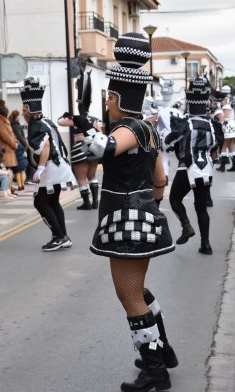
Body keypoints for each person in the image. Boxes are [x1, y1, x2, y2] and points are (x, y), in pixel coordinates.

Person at [88, 33, 177, 392]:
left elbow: (104, 149)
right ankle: (163, 351)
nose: (107, 103)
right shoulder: (150, 129)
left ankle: (155, 371)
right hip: (141, 217)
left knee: (129, 297)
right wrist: (152, 208)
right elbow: (160, 179)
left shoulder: (128, 128)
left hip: (124, 220)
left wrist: (85, 129)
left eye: (109, 97)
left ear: (120, 97)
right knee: (139, 290)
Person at [20, 77, 77, 251]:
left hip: (52, 166)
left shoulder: (35, 125)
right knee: (52, 202)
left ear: (29, 109)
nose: (22, 113)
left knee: (41, 202)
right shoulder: (47, 120)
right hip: (60, 165)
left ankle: (59, 236)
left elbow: (45, 147)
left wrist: (40, 168)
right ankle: (62, 236)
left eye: (24, 109)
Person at [167, 77, 220, 256]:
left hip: (186, 168)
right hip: (206, 168)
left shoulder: (183, 122)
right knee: (201, 207)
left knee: (174, 199)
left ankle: (186, 226)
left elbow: (169, 142)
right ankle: (206, 244)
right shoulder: (212, 124)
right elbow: (215, 147)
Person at [58, 69, 102, 210]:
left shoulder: (76, 119)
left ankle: (87, 203)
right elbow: (100, 132)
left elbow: (60, 122)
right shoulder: (94, 119)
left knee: (81, 177)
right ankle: (96, 201)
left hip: (80, 148)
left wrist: (66, 115)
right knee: (92, 175)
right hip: (93, 147)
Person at [0, 103, 20, 193]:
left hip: (8, 147)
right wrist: (14, 144)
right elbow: (6, 137)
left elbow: (11, 135)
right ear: (6, 114)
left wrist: (16, 141)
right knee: (6, 168)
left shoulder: (4, 121)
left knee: (8, 169)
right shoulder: (0, 123)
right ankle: (7, 188)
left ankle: (9, 186)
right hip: (5, 148)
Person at [8, 110, 29, 191]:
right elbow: (20, 136)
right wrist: (25, 145)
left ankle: (21, 185)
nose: (19, 117)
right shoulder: (15, 126)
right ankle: (21, 185)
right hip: (20, 158)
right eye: (18, 116)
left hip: (18, 159)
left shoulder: (15, 125)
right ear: (15, 117)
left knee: (19, 172)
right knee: (20, 172)